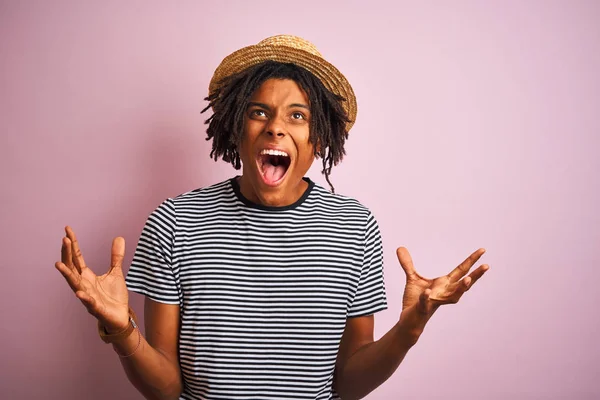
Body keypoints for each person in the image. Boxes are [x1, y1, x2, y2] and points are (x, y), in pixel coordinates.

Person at [55, 35, 489, 400]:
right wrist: (121, 331)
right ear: (234, 130)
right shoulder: (175, 221)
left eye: (297, 116)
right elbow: (167, 389)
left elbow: (349, 383)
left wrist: (408, 330)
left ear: (318, 139)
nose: (275, 127)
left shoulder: (355, 226)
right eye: (258, 112)